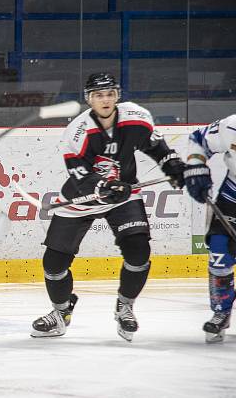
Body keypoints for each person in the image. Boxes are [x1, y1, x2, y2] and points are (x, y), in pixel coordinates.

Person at [31, 73, 187, 342]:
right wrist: (103, 187)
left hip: (124, 195)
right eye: (98, 95)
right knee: (53, 264)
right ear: (88, 99)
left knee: (138, 251)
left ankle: (125, 307)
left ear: (118, 95)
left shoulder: (136, 117)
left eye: (109, 94)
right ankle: (60, 313)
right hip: (83, 199)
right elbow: (80, 175)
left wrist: (173, 165)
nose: (105, 100)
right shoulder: (78, 131)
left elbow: (158, 147)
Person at [183, 114, 236, 343]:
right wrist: (196, 168)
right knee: (219, 251)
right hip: (232, 196)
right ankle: (221, 311)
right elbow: (198, 139)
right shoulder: (231, 125)